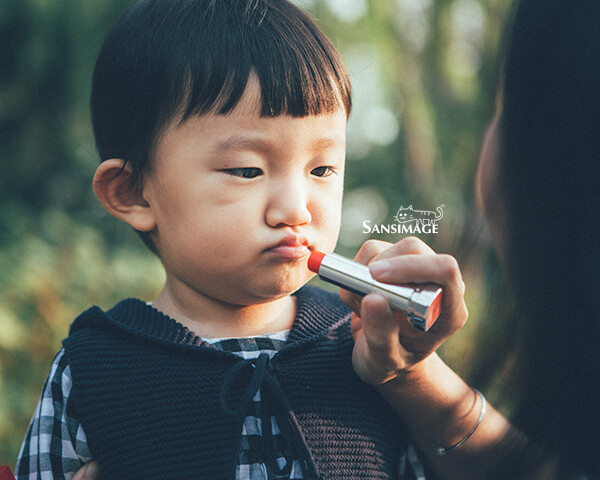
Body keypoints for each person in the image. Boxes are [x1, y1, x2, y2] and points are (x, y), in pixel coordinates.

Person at [14, 0, 473, 478]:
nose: (296, 209)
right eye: (247, 170)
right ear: (133, 192)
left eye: (321, 169)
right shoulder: (94, 368)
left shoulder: (367, 347)